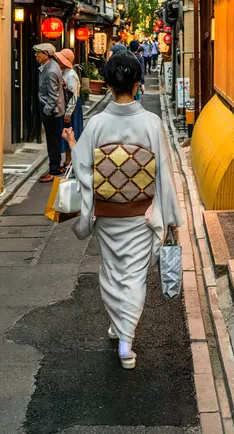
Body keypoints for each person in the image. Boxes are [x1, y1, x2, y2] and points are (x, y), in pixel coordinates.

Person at [62, 51, 182, 370]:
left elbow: (84, 168)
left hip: (106, 215)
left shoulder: (98, 123)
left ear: (111, 85)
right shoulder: (151, 123)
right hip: (142, 216)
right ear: (138, 83)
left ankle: (122, 330)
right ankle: (125, 339)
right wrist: (168, 216)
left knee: (111, 273)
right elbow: (164, 175)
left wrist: (74, 146)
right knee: (133, 277)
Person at [34, 43, 65, 183]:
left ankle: (54, 170)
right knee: (53, 140)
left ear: (46, 55)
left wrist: (46, 110)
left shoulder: (51, 70)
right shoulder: (51, 66)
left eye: (38, 53)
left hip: (51, 111)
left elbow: (53, 96)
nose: (36, 55)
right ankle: (55, 167)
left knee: (52, 141)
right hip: (52, 110)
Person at [53, 49, 84, 166]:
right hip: (69, 106)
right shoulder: (66, 72)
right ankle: (68, 159)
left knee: (71, 131)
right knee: (68, 131)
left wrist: (68, 113)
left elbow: (73, 96)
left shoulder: (70, 75)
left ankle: (70, 160)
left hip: (72, 107)